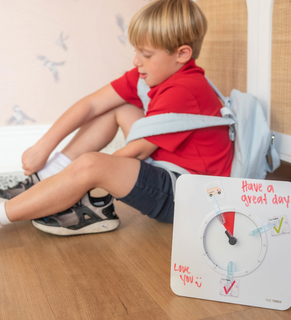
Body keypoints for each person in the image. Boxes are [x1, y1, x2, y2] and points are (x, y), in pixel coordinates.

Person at [0, 0, 233, 236]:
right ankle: (45, 177)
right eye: (136, 51)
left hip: (187, 196)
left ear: (182, 54)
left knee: (91, 164)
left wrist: (71, 182)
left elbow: (136, 152)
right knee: (118, 108)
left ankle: (6, 213)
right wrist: (43, 147)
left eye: (146, 54)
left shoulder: (185, 91)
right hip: (169, 171)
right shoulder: (156, 75)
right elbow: (92, 105)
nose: (136, 61)